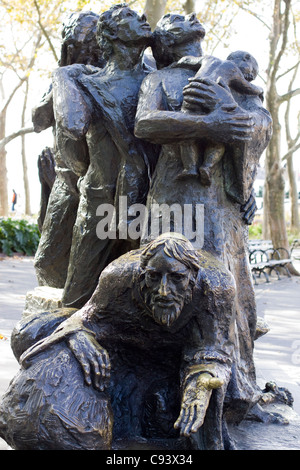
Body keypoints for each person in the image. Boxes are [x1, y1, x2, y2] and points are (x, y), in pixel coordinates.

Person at [134, 12, 273, 424]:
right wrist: (209, 122)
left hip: (220, 206)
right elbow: (145, 122)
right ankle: (164, 386)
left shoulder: (229, 72)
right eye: (176, 18)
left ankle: (230, 385)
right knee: (165, 284)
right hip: (172, 200)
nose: (188, 14)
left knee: (227, 289)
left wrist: (228, 111)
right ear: (169, 41)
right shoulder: (158, 79)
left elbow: (257, 126)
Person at [0, 233, 237, 450]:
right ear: (141, 275)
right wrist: (79, 334)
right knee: (27, 333)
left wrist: (203, 378)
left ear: (193, 277)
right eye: (154, 277)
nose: (164, 290)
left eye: (176, 278)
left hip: (173, 358)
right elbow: (85, 319)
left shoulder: (217, 286)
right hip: (124, 349)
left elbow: (215, 349)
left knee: (171, 412)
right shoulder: (119, 276)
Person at [52, 4, 156, 309]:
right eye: (127, 16)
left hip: (150, 198)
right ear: (109, 34)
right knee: (77, 297)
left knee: (147, 297)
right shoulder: (88, 82)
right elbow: (71, 125)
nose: (141, 17)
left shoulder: (159, 76)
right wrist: (62, 77)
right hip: (101, 201)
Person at [33, 11, 103, 289]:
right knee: (48, 263)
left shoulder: (116, 71)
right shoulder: (63, 75)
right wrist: (64, 74)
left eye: (89, 46)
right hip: (65, 178)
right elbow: (38, 120)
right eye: (75, 46)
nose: (84, 53)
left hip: (101, 179)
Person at [178, 51, 264, 184]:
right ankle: (207, 166)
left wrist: (177, 63)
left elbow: (188, 60)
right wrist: (259, 90)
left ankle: (189, 167)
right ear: (245, 59)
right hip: (210, 99)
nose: (250, 77)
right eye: (252, 72)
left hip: (193, 95)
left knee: (187, 135)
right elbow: (247, 87)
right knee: (219, 138)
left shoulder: (209, 59)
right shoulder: (233, 69)